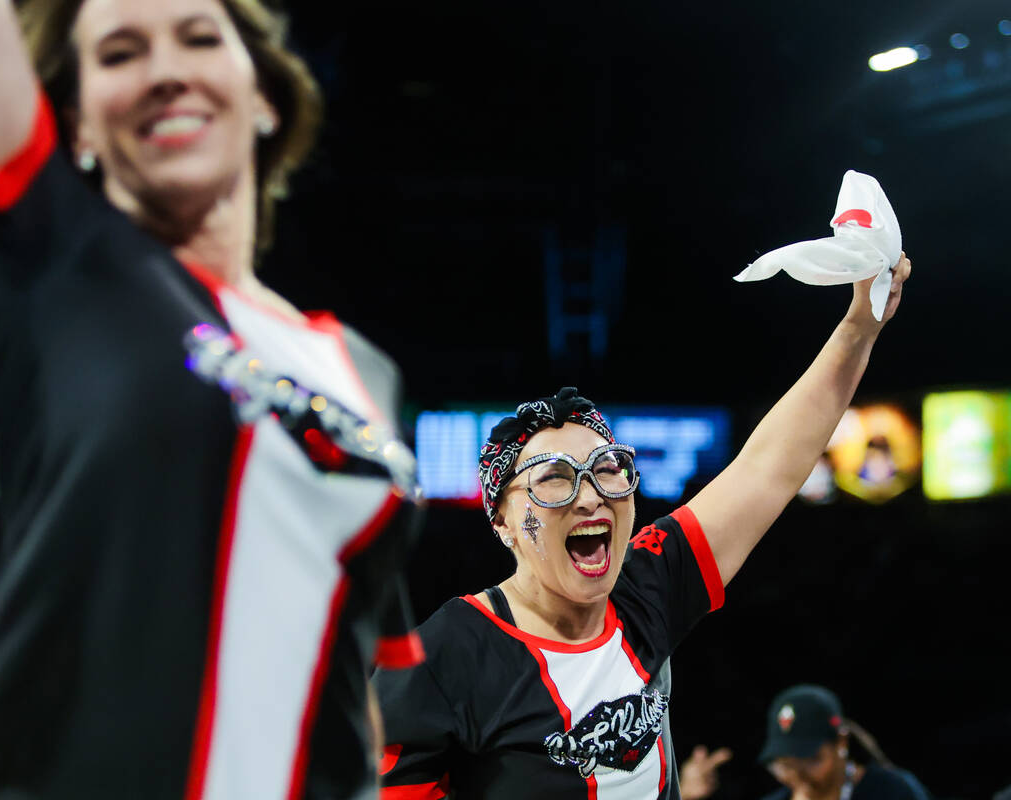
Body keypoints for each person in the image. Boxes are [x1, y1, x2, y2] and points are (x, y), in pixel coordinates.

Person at [0, 0, 423, 797]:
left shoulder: (368, 374)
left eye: (198, 37)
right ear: (78, 128)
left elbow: (345, 680)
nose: (165, 71)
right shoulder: (53, 271)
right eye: (121, 54)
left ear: (263, 93)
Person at [374, 258, 912, 799]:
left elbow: (767, 469)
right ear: (503, 521)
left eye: (607, 470)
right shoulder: (441, 659)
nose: (591, 497)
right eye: (555, 480)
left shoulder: (646, 583)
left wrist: (857, 330)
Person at [758, 684, 932, 800]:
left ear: (841, 742)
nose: (798, 775)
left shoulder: (892, 790)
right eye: (786, 765)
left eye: (811, 760)